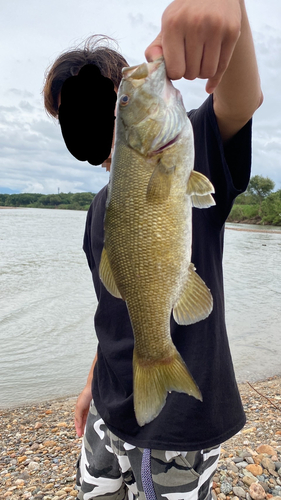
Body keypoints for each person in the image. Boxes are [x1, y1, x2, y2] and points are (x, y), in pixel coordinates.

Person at [43, 0, 263, 498]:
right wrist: (89, 385)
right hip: (109, 405)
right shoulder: (98, 209)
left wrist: (232, 9)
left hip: (182, 426)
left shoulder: (188, 151)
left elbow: (242, 99)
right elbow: (115, 311)